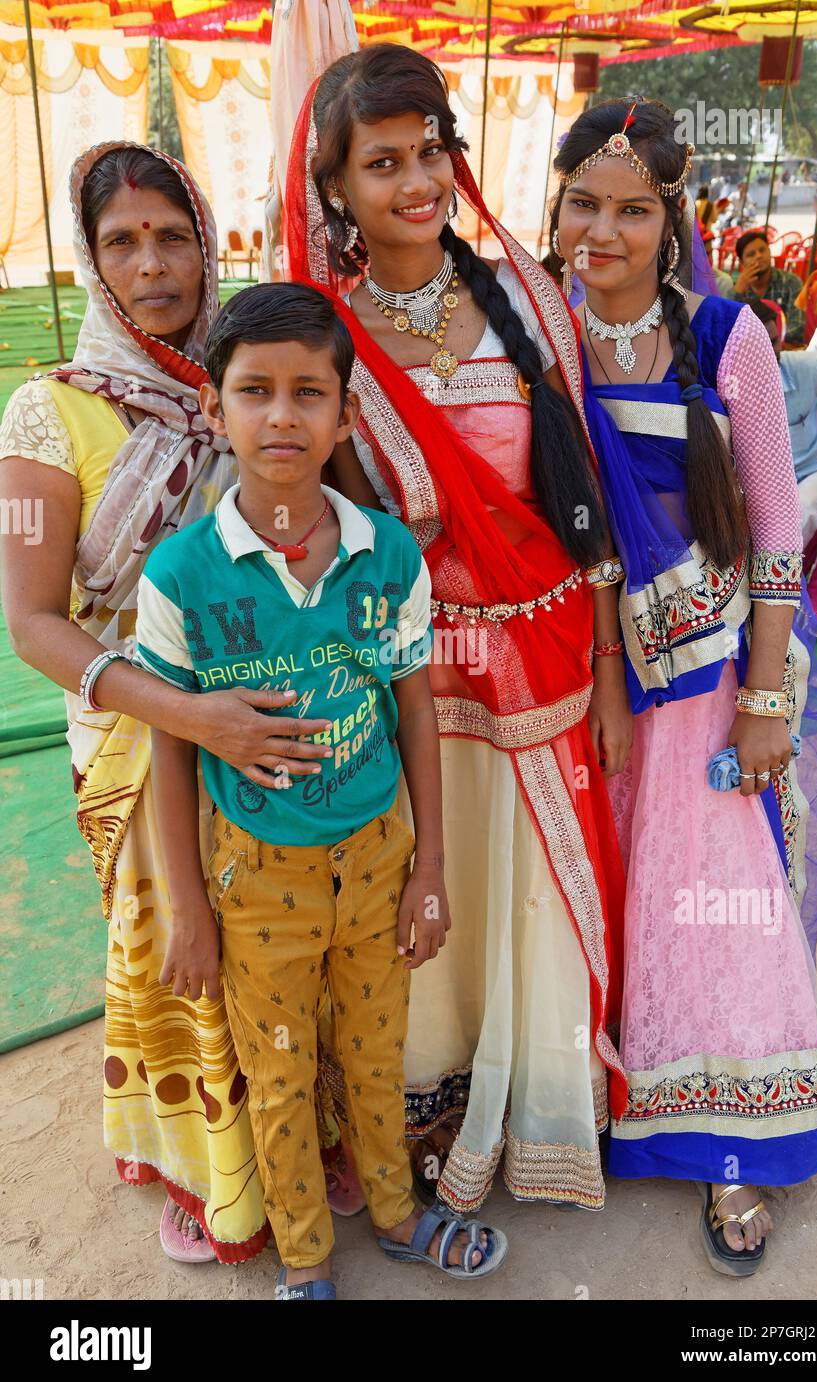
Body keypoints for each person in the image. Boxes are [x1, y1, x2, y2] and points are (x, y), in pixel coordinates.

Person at [280, 42, 632, 1216]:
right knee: (422, 890)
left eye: (430, 151)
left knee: (527, 885)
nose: (415, 180)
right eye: (381, 162)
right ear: (334, 187)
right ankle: (421, 1112)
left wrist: (607, 665)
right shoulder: (322, 333)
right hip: (412, 672)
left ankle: (533, 1106)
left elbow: (582, 495)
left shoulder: (528, 297)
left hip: (539, 660)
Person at [135, 281, 507, 1297]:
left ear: (346, 414)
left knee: (375, 1056)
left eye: (309, 393)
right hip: (257, 884)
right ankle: (303, 1256)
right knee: (282, 1070)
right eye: (254, 391)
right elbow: (171, 746)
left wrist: (429, 864)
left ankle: (395, 1213)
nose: (282, 416)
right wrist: (189, 909)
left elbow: (415, 706)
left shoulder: (384, 554)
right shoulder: (180, 576)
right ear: (214, 409)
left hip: (379, 856)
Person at [0, 143, 329, 1264]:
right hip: (138, 736)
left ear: (207, 240)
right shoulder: (46, 412)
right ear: (90, 263)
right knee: (179, 955)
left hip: (270, 720)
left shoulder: (253, 380)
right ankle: (208, 1169)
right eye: (122, 242)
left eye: (173, 235)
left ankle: (304, 1135)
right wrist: (193, 716)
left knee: (279, 943)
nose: (154, 265)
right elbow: (38, 621)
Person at [552, 97, 817, 1276]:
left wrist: (763, 699)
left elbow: (776, 535)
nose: (603, 231)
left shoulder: (727, 339)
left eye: (632, 210)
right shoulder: (542, 339)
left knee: (714, 904)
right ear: (555, 207)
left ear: (671, 221)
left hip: (716, 675)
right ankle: (599, 1105)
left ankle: (732, 1141)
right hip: (590, 674)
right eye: (583, 205)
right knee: (604, 886)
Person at [750, 297, 817, 544]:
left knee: (799, 515)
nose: (771, 352)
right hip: (763, 480)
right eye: (760, 345)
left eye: (774, 342)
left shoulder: (806, 366)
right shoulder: (731, 384)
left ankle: (776, 579)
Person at [733, 229, 805, 344]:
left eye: (762, 250)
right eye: (751, 254)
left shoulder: (791, 282)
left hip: (784, 350)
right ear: (742, 263)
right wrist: (737, 292)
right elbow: (727, 329)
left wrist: (769, 345)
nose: (759, 256)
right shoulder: (738, 289)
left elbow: (797, 328)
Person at [694, 184, 718, 250]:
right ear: (707, 194)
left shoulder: (695, 204)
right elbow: (714, 220)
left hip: (696, 236)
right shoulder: (711, 205)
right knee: (707, 258)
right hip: (706, 236)